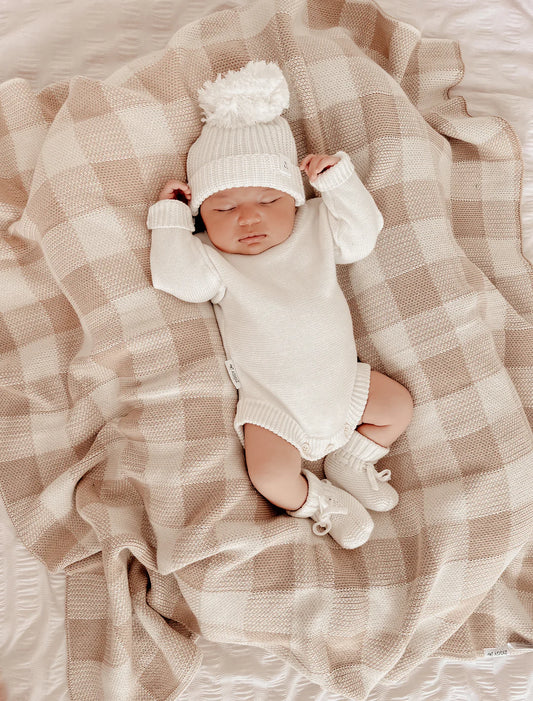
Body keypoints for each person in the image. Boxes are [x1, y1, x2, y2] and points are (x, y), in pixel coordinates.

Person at [147, 60, 414, 549]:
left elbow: (362, 235)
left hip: (344, 384)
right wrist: (169, 217)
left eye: (268, 201)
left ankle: (352, 460)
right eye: (225, 208)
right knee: (271, 475)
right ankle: (319, 502)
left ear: (293, 198)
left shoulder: (315, 224)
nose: (248, 219)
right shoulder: (213, 260)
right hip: (273, 407)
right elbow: (175, 279)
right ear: (202, 214)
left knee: (397, 406)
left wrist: (336, 183)